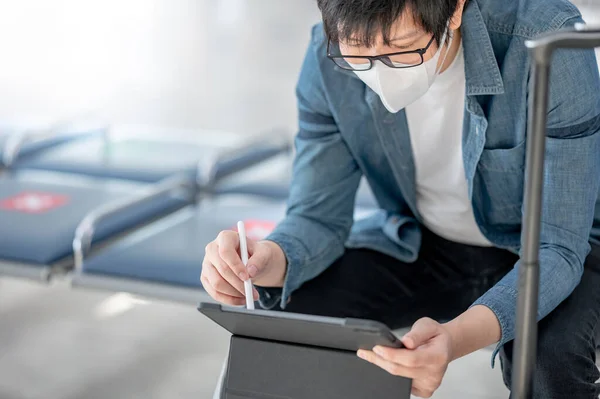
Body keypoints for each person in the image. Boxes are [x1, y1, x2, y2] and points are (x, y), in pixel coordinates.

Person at [201, 0, 600, 397]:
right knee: (292, 324)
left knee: (547, 359)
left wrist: (452, 339)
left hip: (559, 249)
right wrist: (265, 261)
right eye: (358, 52)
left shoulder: (547, 43)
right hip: (425, 240)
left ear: (456, 9)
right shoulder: (326, 55)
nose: (380, 71)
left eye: (403, 49)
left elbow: (557, 248)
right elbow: (317, 216)